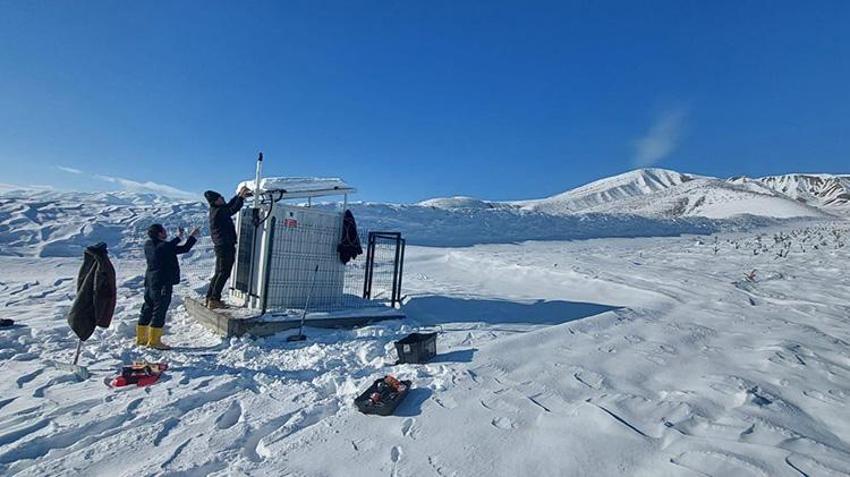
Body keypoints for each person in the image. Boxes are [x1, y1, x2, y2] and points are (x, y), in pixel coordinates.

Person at [138, 224, 199, 350]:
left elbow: (173, 248)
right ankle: (154, 341)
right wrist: (191, 236)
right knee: (159, 310)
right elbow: (179, 248)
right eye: (164, 231)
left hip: (150, 282)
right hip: (162, 283)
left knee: (147, 308)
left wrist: (179, 237)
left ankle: (141, 338)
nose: (166, 233)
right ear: (160, 234)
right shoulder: (164, 247)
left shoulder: (148, 245)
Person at [204, 186, 251, 309]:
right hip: (225, 246)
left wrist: (238, 196)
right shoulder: (219, 211)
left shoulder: (217, 209)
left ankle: (210, 297)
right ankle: (214, 299)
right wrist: (240, 197)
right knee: (224, 272)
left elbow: (229, 205)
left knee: (219, 272)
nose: (223, 198)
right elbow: (232, 209)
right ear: (216, 201)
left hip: (221, 246)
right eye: (220, 197)